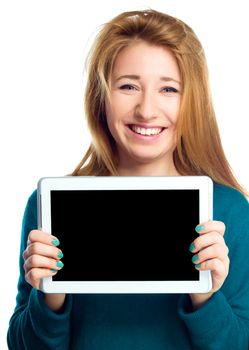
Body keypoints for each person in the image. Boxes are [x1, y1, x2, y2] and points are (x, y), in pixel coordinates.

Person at [7, 9, 249, 350]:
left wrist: (206, 298)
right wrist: (49, 297)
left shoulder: (228, 210)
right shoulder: (52, 206)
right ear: (101, 96)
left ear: (192, 101)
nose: (146, 110)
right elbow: (22, 345)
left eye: (168, 89)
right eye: (128, 86)